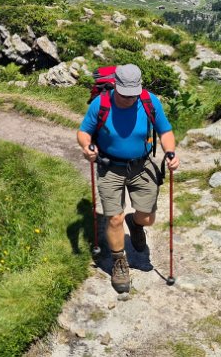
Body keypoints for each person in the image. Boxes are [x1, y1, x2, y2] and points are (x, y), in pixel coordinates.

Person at [76, 63, 179, 294]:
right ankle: (119, 262)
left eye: (133, 94)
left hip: (142, 166)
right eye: (125, 95)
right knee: (114, 218)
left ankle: (135, 223)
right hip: (109, 166)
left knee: (148, 217)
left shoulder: (149, 101)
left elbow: (165, 131)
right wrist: (87, 146)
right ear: (115, 86)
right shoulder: (101, 104)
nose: (130, 99)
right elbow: (83, 132)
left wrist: (171, 152)